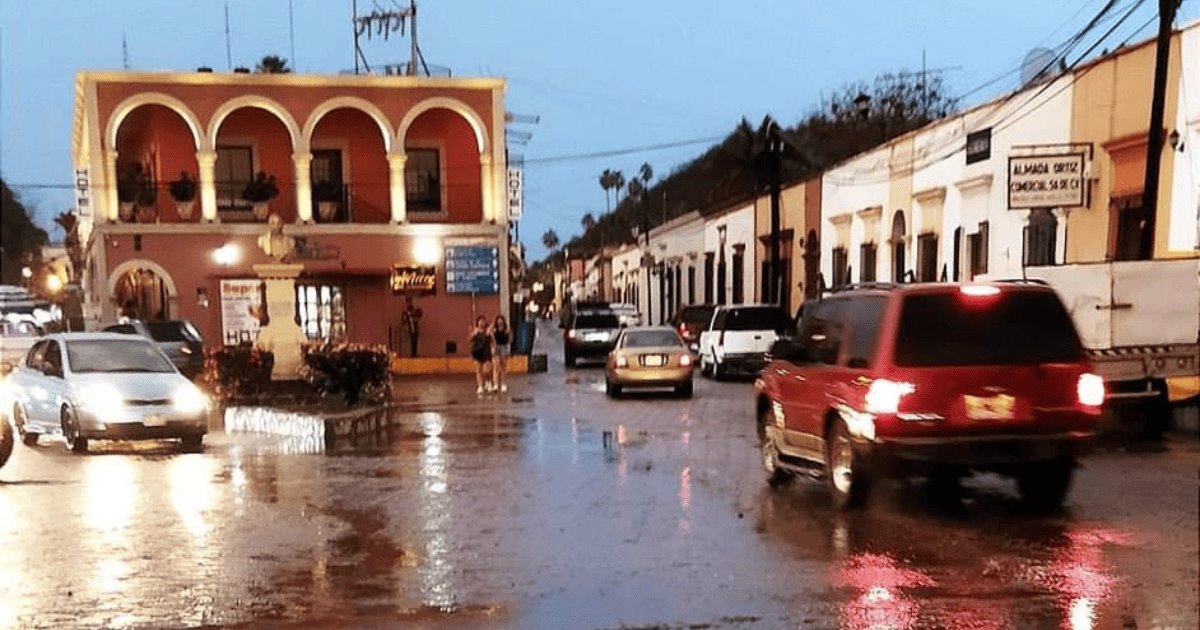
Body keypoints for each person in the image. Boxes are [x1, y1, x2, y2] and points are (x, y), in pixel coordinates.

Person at [469, 315, 494, 395]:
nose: (482, 323)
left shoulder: (488, 331)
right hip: (477, 353)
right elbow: (470, 340)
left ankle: (488, 382)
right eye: (480, 321)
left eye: (483, 321)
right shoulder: (475, 331)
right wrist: (473, 334)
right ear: (478, 322)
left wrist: (490, 335)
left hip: (486, 353)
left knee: (487, 370)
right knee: (478, 370)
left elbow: (493, 341)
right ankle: (480, 386)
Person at [491, 315, 511, 393]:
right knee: (496, 366)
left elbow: (510, 340)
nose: (500, 322)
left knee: (503, 367)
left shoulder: (506, 330)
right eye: (498, 320)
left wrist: (509, 333)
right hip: (496, 347)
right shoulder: (494, 330)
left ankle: (503, 384)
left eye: (501, 320)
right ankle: (495, 384)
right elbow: (490, 334)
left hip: (504, 347)